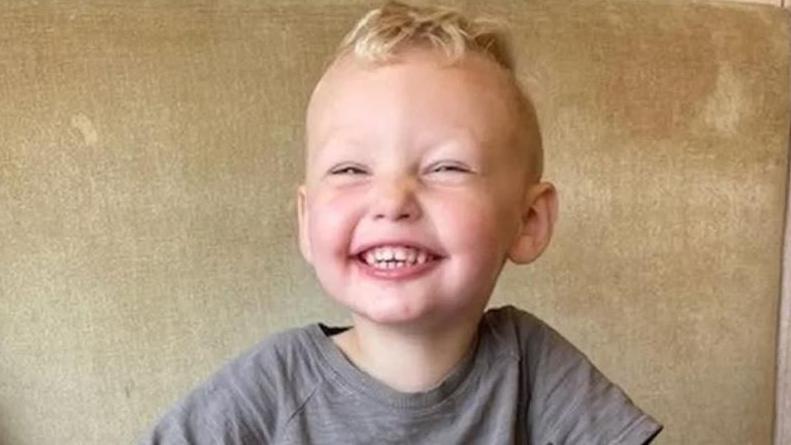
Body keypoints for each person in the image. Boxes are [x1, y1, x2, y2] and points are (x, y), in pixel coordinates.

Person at [140, 1, 663, 443]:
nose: (392, 201)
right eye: (350, 169)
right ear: (306, 221)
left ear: (528, 221)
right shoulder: (275, 382)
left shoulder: (532, 366)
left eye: (446, 167)